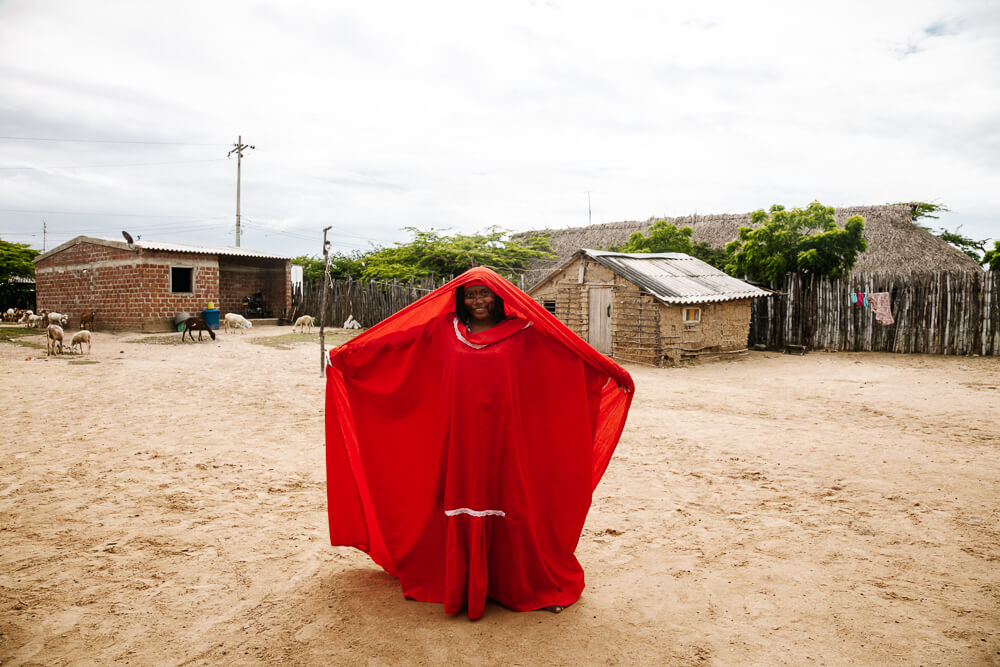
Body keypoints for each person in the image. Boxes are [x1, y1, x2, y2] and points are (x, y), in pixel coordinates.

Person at [325, 267, 634, 620]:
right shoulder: (442, 331)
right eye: (470, 295)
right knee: (456, 497)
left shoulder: (525, 334)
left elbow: (566, 354)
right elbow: (394, 346)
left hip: (506, 438)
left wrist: (607, 370)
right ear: (461, 299)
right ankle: (454, 580)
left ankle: (514, 583)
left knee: (510, 499)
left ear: (499, 297)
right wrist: (347, 356)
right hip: (457, 438)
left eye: (484, 294)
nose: (477, 301)